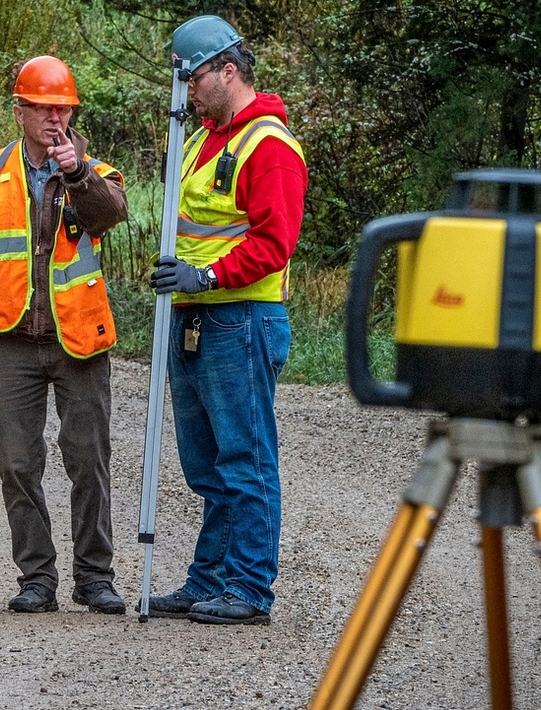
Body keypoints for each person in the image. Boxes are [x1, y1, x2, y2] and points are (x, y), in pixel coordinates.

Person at [0, 55, 129, 614]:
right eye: (43, 109)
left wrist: (77, 174)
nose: (54, 120)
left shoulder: (98, 171)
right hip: (12, 344)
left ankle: (94, 577)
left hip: (80, 343)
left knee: (87, 460)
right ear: (19, 111)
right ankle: (37, 578)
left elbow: (109, 214)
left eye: (63, 110)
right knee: (17, 462)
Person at [145, 15, 309, 625]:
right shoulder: (200, 140)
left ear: (227, 71)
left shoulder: (268, 146)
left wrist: (206, 277)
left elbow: (274, 243)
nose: (186, 92)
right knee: (207, 464)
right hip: (193, 319)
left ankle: (248, 589)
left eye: (192, 79)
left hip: (239, 320)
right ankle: (208, 579)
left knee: (246, 459)